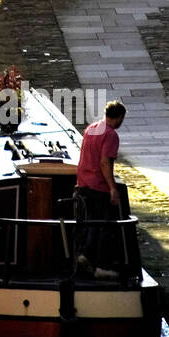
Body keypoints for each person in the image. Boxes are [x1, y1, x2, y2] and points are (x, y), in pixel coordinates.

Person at [74, 100, 126, 279]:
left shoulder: (91, 128)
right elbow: (105, 162)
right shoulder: (111, 135)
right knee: (104, 226)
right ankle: (101, 265)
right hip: (98, 185)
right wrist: (112, 188)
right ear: (119, 117)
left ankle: (83, 256)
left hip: (83, 183)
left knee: (89, 223)